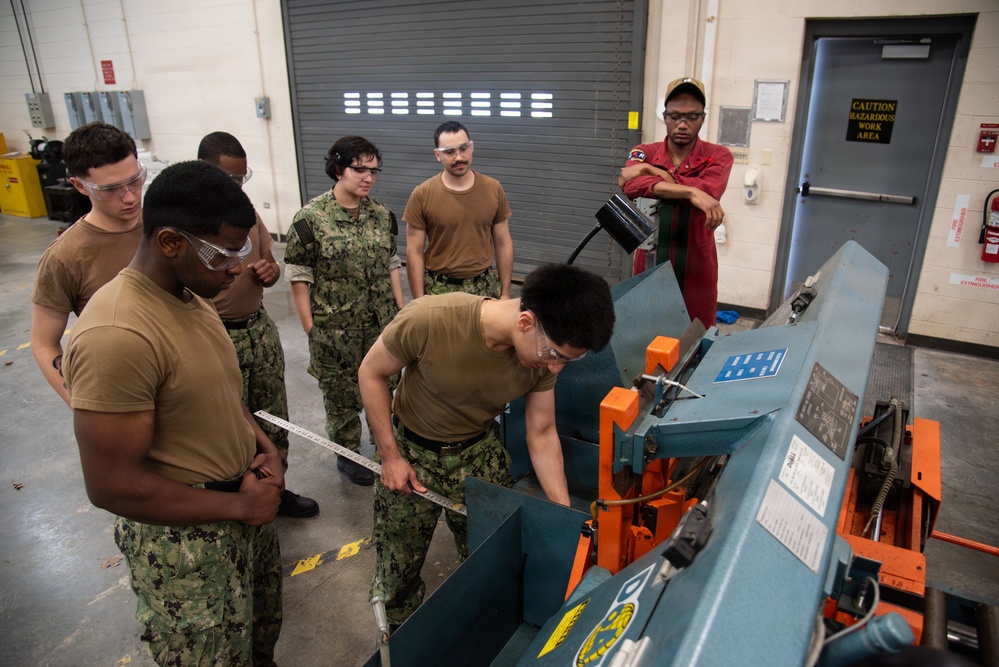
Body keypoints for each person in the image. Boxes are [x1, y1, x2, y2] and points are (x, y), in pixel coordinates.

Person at [62, 160, 284, 666]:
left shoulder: (192, 296)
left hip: (242, 511)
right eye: (224, 254)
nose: (236, 267)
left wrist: (263, 447)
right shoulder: (117, 336)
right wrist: (239, 508)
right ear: (169, 242)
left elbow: (219, 393)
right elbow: (111, 486)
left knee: (257, 648)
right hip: (187, 546)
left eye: (241, 251)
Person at [359, 262, 616, 625]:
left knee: (493, 563)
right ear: (525, 322)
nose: (557, 369)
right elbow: (371, 372)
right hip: (412, 455)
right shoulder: (430, 319)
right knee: (396, 575)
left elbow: (541, 431)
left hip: (480, 455)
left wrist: (561, 512)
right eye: (556, 355)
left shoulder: (540, 362)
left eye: (568, 360)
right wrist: (389, 456)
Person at [198, 131, 319, 518]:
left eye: (242, 178)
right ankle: (233, 498)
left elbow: (271, 260)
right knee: (226, 424)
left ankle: (275, 490)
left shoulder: (246, 212)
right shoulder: (191, 223)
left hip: (258, 330)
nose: (237, 186)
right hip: (214, 335)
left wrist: (271, 271)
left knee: (272, 416)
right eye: (230, 179)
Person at [284, 136, 400, 486]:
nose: (368, 177)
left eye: (373, 170)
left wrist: (400, 309)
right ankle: (349, 454)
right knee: (341, 397)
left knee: (386, 389)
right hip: (334, 329)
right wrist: (309, 326)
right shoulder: (310, 219)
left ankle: (386, 448)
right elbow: (299, 274)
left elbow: (392, 263)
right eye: (359, 169)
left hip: (379, 324)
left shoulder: (381, 215)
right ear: (338, 169)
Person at [30, 121, 144, 406]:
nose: (129, 197)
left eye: (134, 180)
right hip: (124, 392)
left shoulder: (165, 224)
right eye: (111, 189)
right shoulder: (65, 257)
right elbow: (44, 343)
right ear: (80, 186)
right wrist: (82, 405)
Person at [619, 76, 733, 327]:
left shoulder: (718, 156)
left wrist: (657, 174)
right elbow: (631, 185)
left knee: (695, 333)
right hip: (651, 257)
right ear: (665, 116)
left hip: (696, 264)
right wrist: (691, 193)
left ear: (703, 118)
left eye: (692, 117)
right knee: (643, 329)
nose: (682, 124)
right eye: (675, 116)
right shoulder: (644, 153)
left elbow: (709, 189)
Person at [404, 121, 514, 300]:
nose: (458, 157)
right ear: (437, 155)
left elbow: (503, 242)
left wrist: (505, 292)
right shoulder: (422, 194)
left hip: (484, 289)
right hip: (440, 290)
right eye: (449, 152)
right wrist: (419, 300)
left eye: (463, 148)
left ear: (472, 147)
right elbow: (414, 251)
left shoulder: (493, 188)